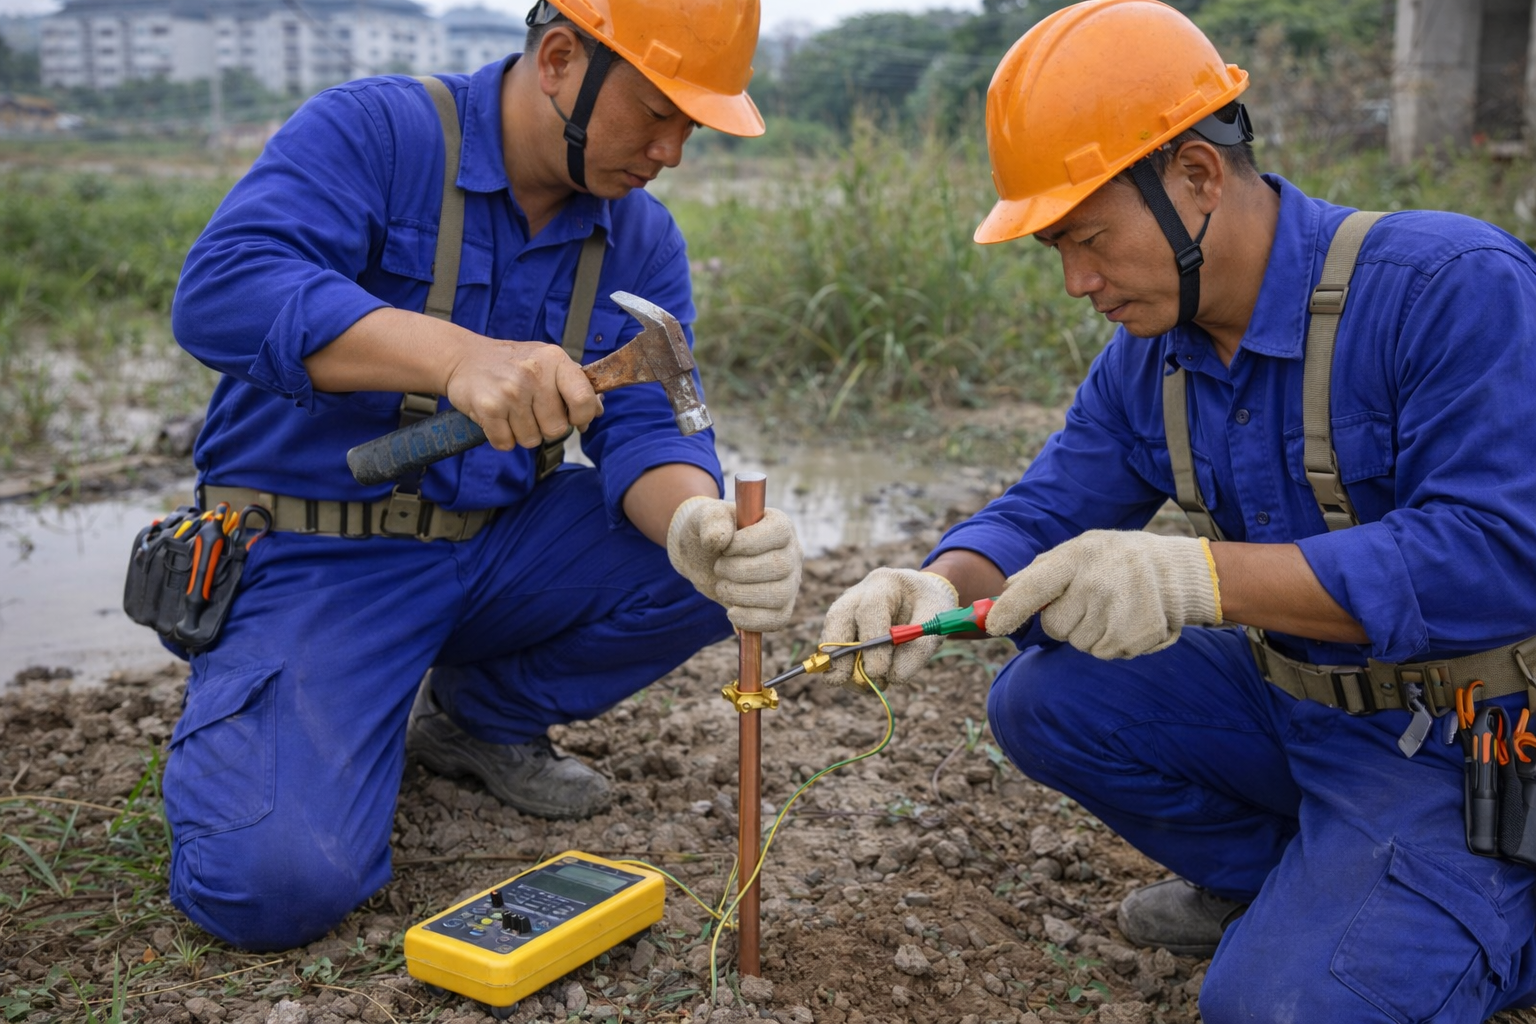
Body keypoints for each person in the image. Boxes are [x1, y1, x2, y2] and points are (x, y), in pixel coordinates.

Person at [820, 0, 1536, 1019]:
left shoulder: (1446, 287)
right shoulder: (1157, 355)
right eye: (1055, 249)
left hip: (1471, 741)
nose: (1077, 281)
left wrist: (1199, 578)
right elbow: (1046, 505)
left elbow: (1500, 554)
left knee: (1266, 1010)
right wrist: (935, 580)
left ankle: (1480, 907)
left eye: (1089, 238)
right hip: (1308, 712)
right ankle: (1305, 883)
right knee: (1043, 699)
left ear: (1197, 176)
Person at [165, 0, 802, 952]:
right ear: (558, 59)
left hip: (497, 555)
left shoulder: (639, 238)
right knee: (272, 886)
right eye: (658, 112)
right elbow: (222, 292)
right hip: (316, 555)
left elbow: (646, 423)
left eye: (693, 127)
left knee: (713, 563)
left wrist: (694, 526)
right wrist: (453, 355)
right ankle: (299, 712)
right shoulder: (378, 133)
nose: (671, 150)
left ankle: (477, 718)